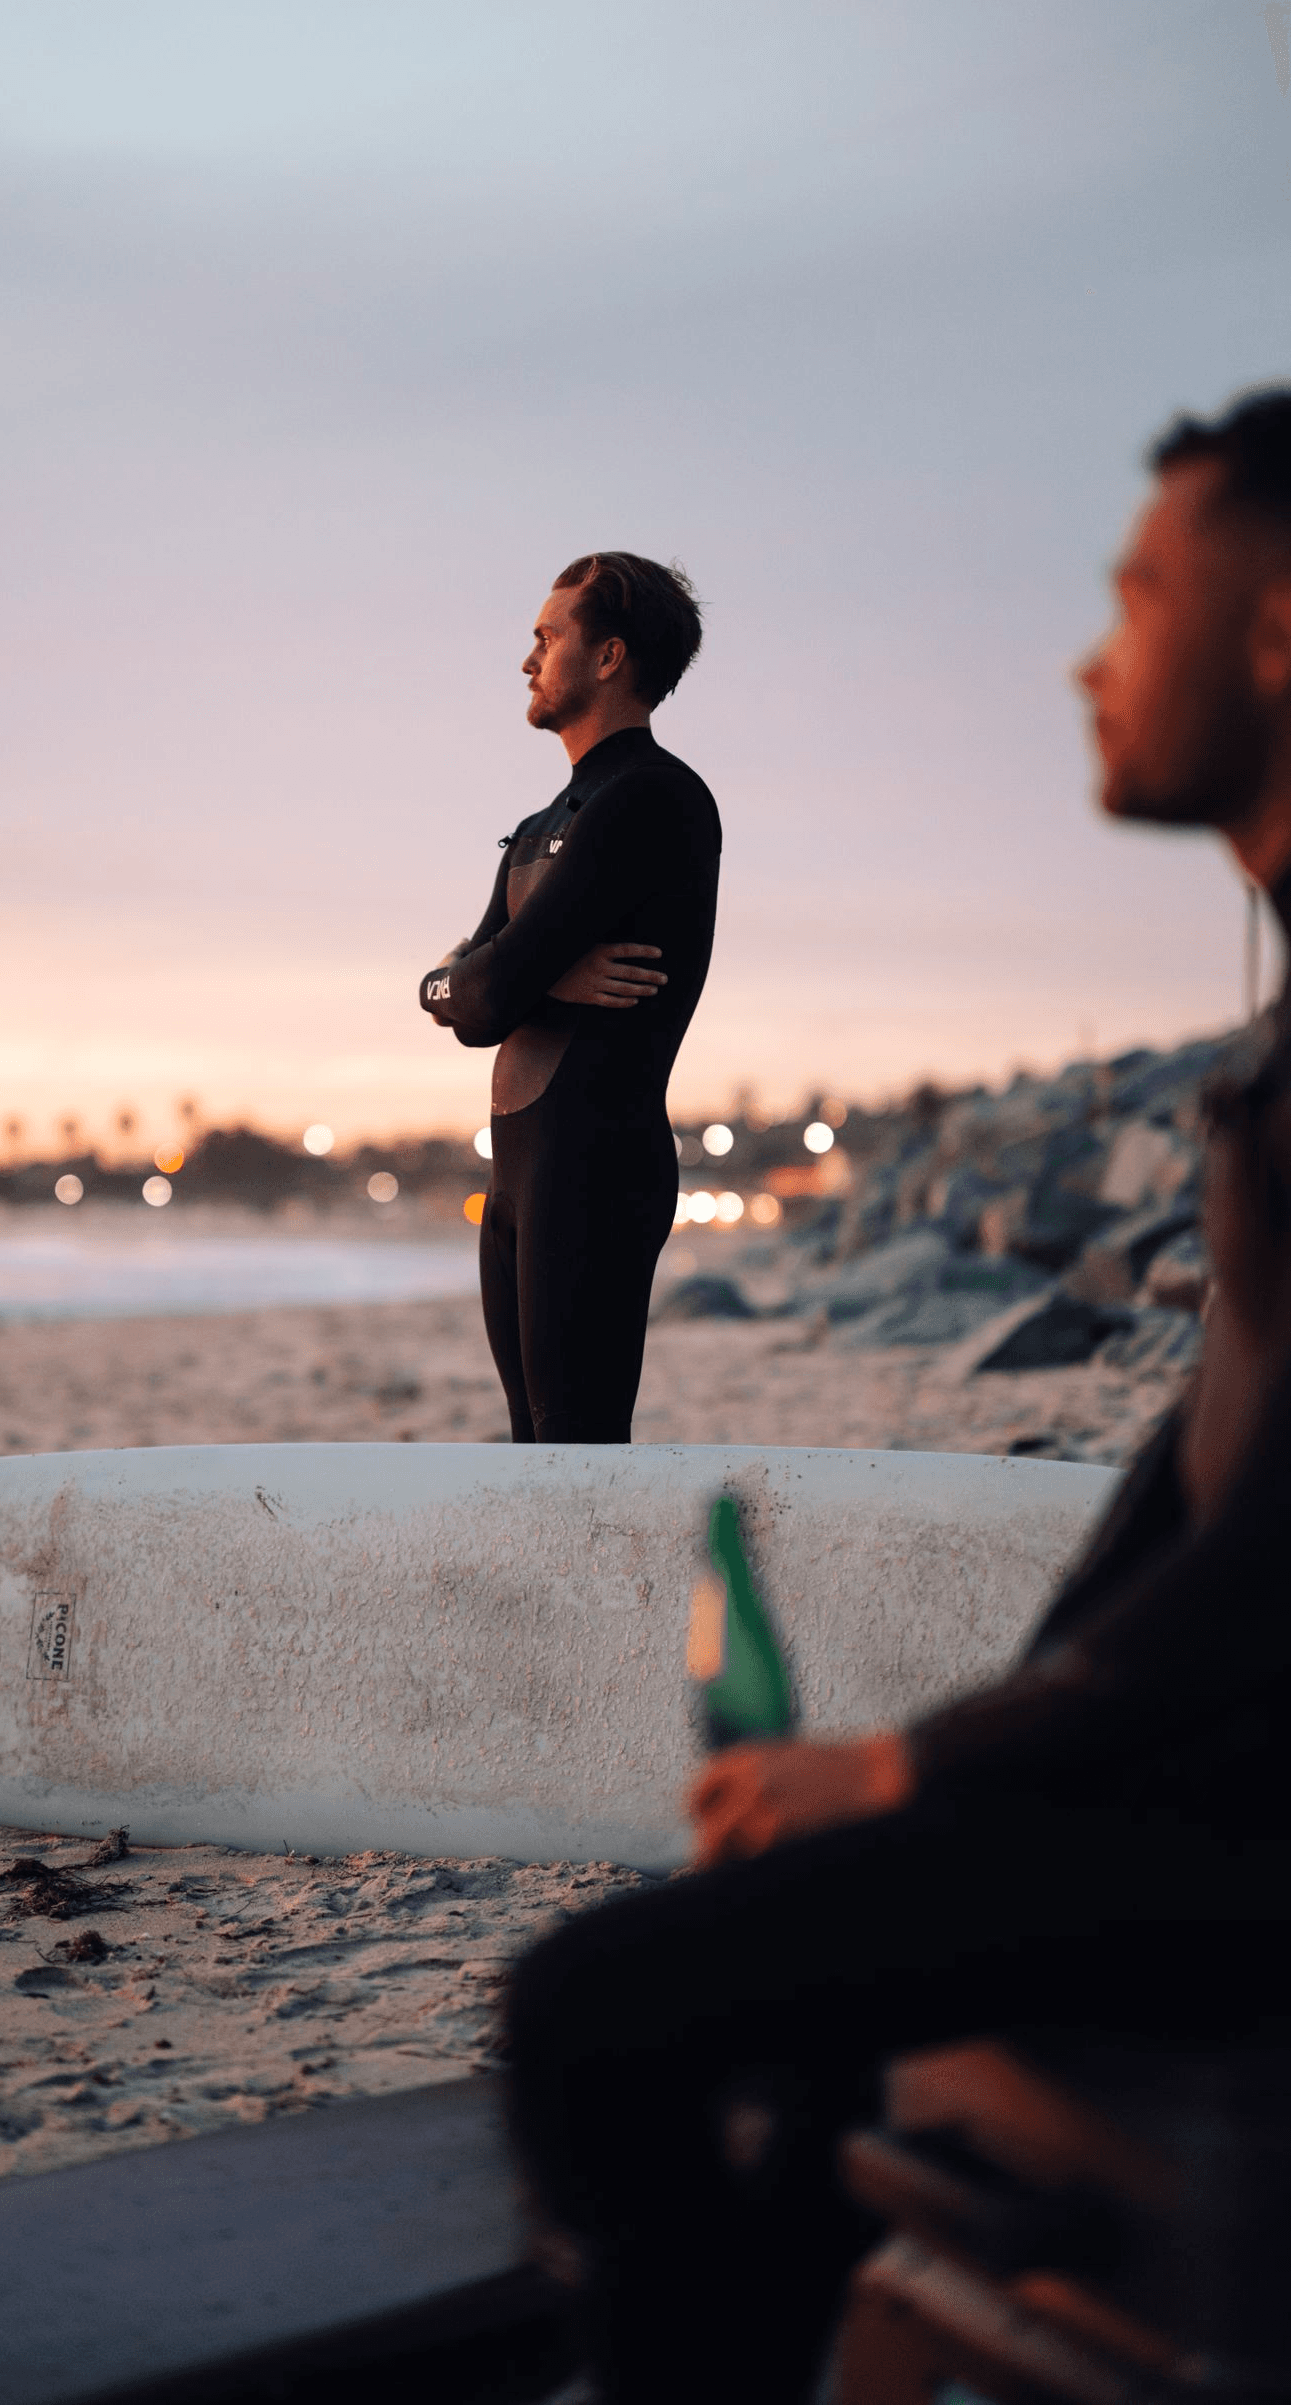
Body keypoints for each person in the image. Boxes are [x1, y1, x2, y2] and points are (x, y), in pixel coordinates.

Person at [503, 389, 1291, 2402]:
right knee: (806, 1987)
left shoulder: (645, 803)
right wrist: (965, 1748)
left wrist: (925, 1770)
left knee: (588, 2013)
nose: (1081, 650)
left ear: (1273, 632)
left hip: (1244, 1835)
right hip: (1192, 1777)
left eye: (1132, 592)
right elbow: (1194, 1479)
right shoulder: (1271, 1039)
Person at [419, 554, 719, 1442]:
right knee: (533, 1454)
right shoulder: (544, 825)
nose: (527, 660)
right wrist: (528, 975)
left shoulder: (651, 800)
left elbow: (478, 995)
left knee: (579, 1460)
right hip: (519, 1180)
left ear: (609, 657)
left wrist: (503, 978)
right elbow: (455, 993)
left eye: (548, 638)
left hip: (596, 1169)